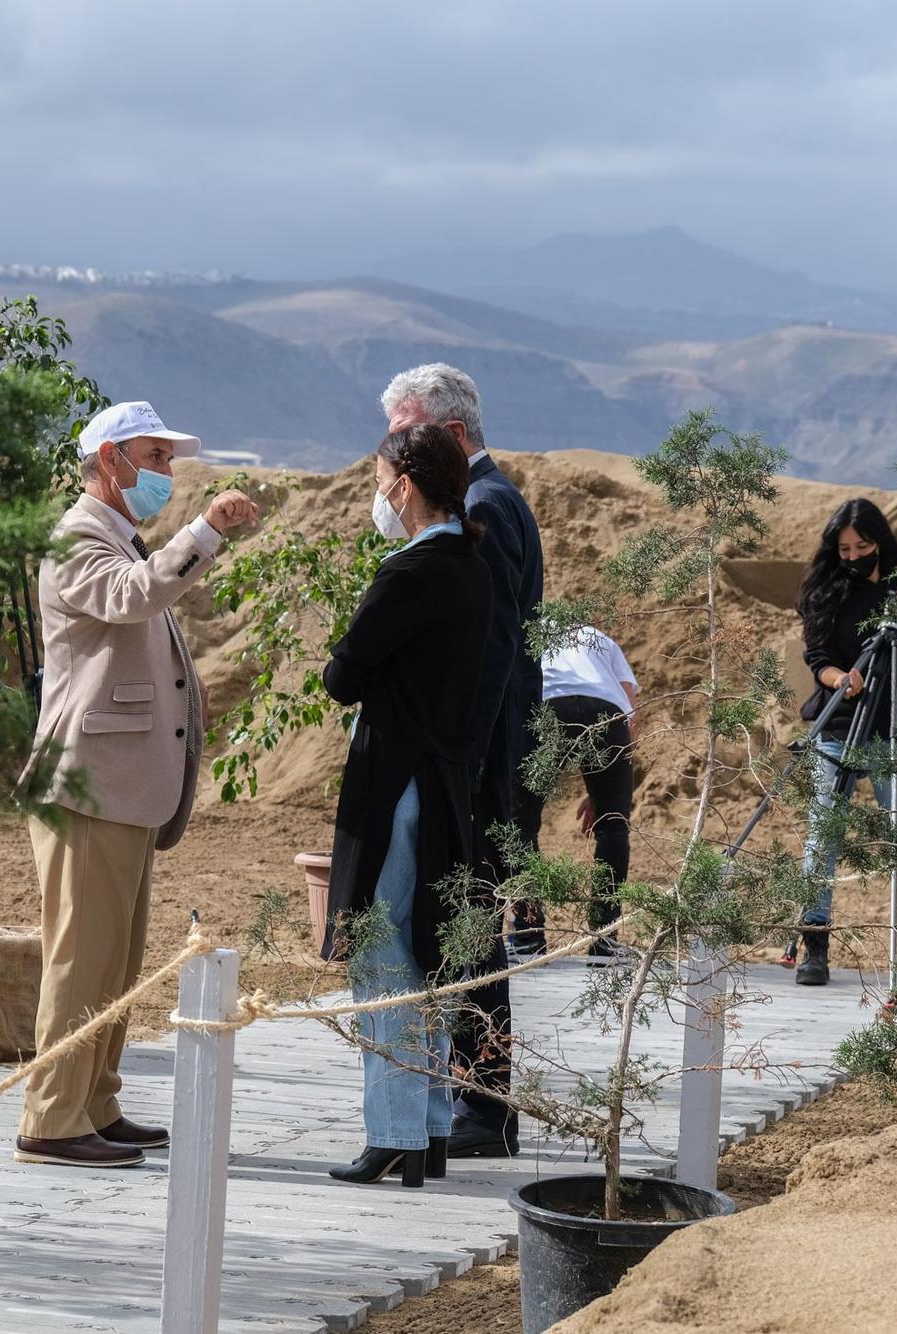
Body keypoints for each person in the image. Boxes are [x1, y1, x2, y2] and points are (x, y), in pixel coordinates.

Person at [15, 400, 258, 1169]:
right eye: (154, 459)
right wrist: (207, 532)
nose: (165, 474)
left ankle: (97, 1101)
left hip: (121, 786)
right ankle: (51, 1120)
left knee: (114, 959)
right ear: (111, 461)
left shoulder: (117, 534)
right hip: (90, 784)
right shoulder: (78, 535)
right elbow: (133, 596)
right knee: (82, 955)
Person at [319, 422, 492, 1188]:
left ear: (407, 487)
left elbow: (342, 675)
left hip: (395, 783)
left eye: (383, 479)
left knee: (382, 954)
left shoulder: (409, 571)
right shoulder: (475, 565)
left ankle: (392, 1131)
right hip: (445, 778)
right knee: (423, 954)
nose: (379, 494)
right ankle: (424, 1129)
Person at [380, 363, 544, 1160]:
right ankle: (474, 1096)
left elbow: (494, 647)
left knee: (471, 924)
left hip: (476, 757)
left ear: (449, 435)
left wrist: (466, 758)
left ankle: (487, 1104)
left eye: (406, 439)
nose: (394, 461)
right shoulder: (492, 498)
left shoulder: (486, 506)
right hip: (476, 753)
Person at [793, 497, 897, 987]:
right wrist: (840, 679)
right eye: (845, 548)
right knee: (824, 838)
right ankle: (813, 948)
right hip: (840, 727)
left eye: (863, 546)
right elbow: (817, 657)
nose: (854, 556)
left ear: (880, 542)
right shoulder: (826, 590)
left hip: (895, 728)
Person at [509, 627, 639, 962]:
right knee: (613, 826)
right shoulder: (602, 639)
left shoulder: (528, 630)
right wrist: (603, 791)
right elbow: (629, 704)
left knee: (521, 825)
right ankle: (605, 938)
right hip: (608, 713)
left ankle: (528, 937)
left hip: (548, 706)